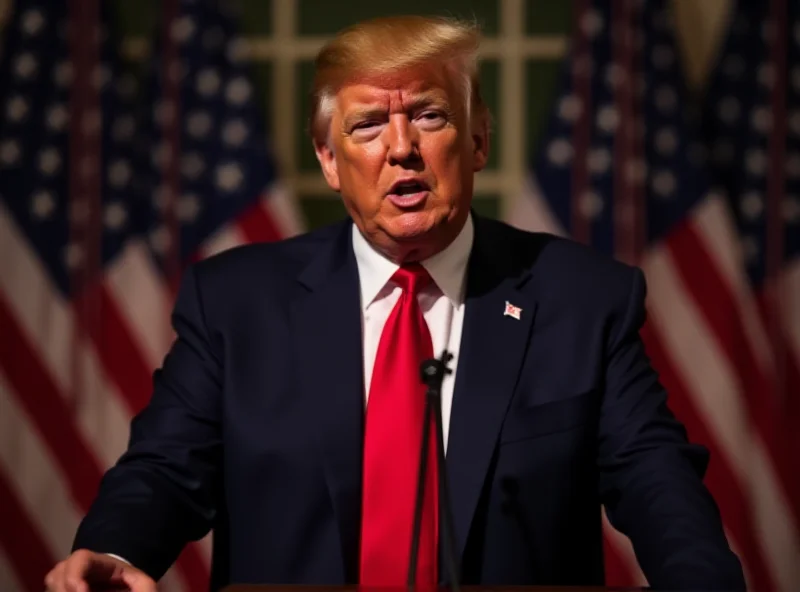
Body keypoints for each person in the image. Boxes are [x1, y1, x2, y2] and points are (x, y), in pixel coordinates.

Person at [45, 14, 746, 592]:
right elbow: (167, 469)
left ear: (476, 142)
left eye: (429, 116)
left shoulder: (581, 299)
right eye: (367, 126)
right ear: (329, 160)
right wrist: (115, 548)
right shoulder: (235, 303)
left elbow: (656, 479)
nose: (401, 149)